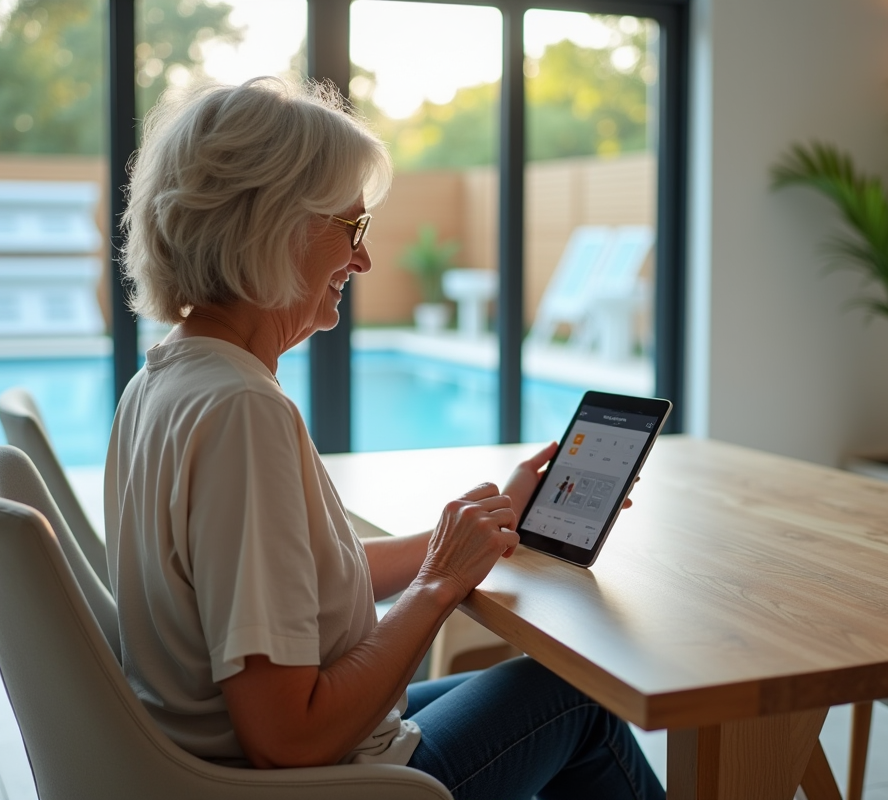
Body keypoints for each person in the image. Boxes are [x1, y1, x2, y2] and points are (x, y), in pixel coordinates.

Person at [106, 76, 664, 800]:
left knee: (533, 689)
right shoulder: (241, 411)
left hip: (219, 766)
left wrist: (482, 536)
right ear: (275, 223)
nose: (362, 261)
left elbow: (288, 592)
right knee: (580, 697)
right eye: (351, 227)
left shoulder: (163, 383)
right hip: (308, 783)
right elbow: (287, 741)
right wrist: (438, 585)